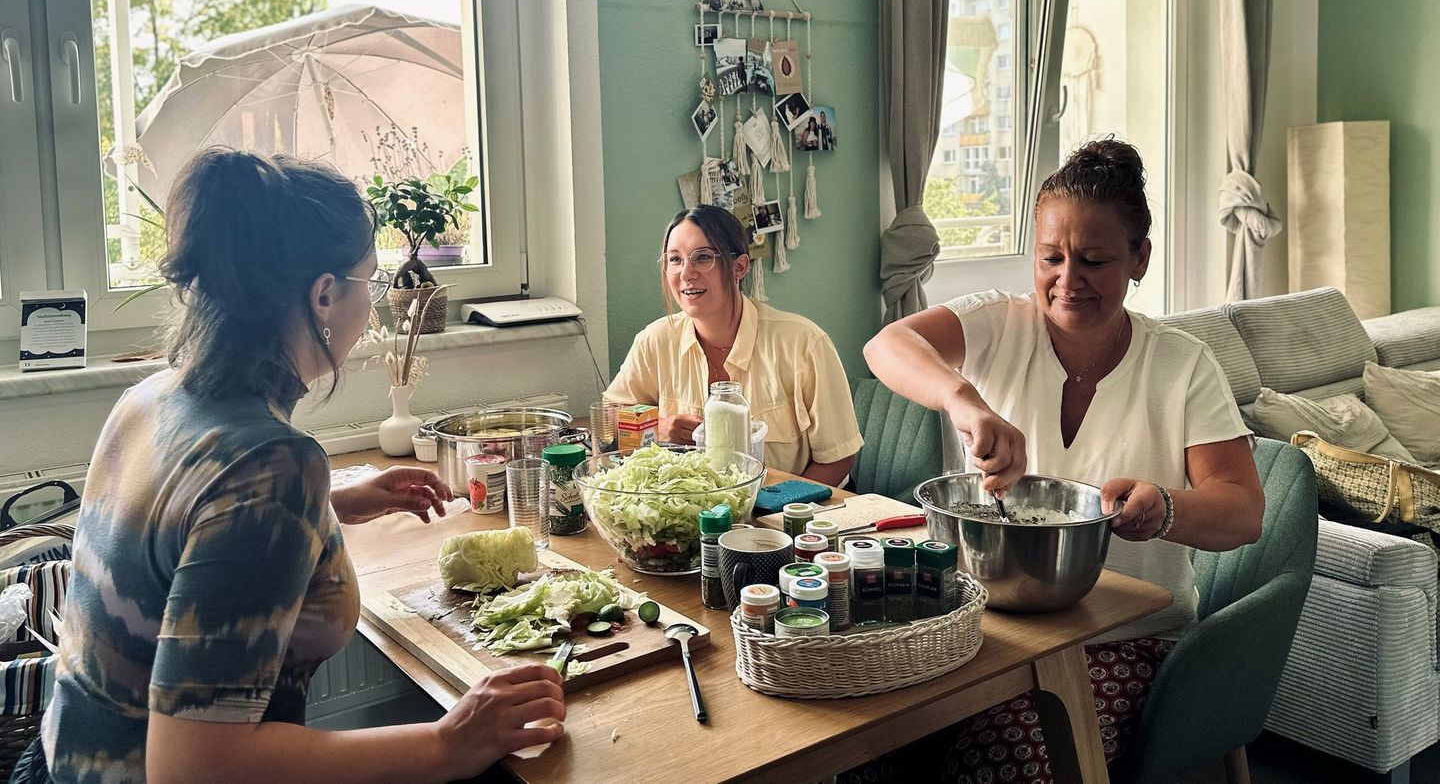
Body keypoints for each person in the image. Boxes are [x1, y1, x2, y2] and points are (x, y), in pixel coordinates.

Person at [17, 150, 565, 784]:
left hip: (55, 763)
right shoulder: (270, 466)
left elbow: (186, 542)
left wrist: (335, 505)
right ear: (324, 294)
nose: (378, 303)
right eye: (373, 282)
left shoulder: (152, 397)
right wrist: (448, 742)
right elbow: (191, 768)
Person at [858, 138, 1263, 782]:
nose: (1067, 280)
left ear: (1139, 260)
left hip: (1122, 639)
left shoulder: (1183, 365)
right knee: (869, 737)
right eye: (1051, 257)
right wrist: (966, 402)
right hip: (990, 627)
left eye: (1095, 261)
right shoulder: (999, 324)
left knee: (999, 760)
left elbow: (1243, 512)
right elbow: (887, 345)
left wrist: (1165, 510)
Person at [606, 204, 863, 485]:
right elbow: (609, 421)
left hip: (792, 512)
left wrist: (771, 509)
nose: (686, 273)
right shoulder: (653, 341)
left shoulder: (804, 344)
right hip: (695, 512)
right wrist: (657, 427)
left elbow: (839, 457)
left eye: (702, 257)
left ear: (739, 267)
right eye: (675, 260)